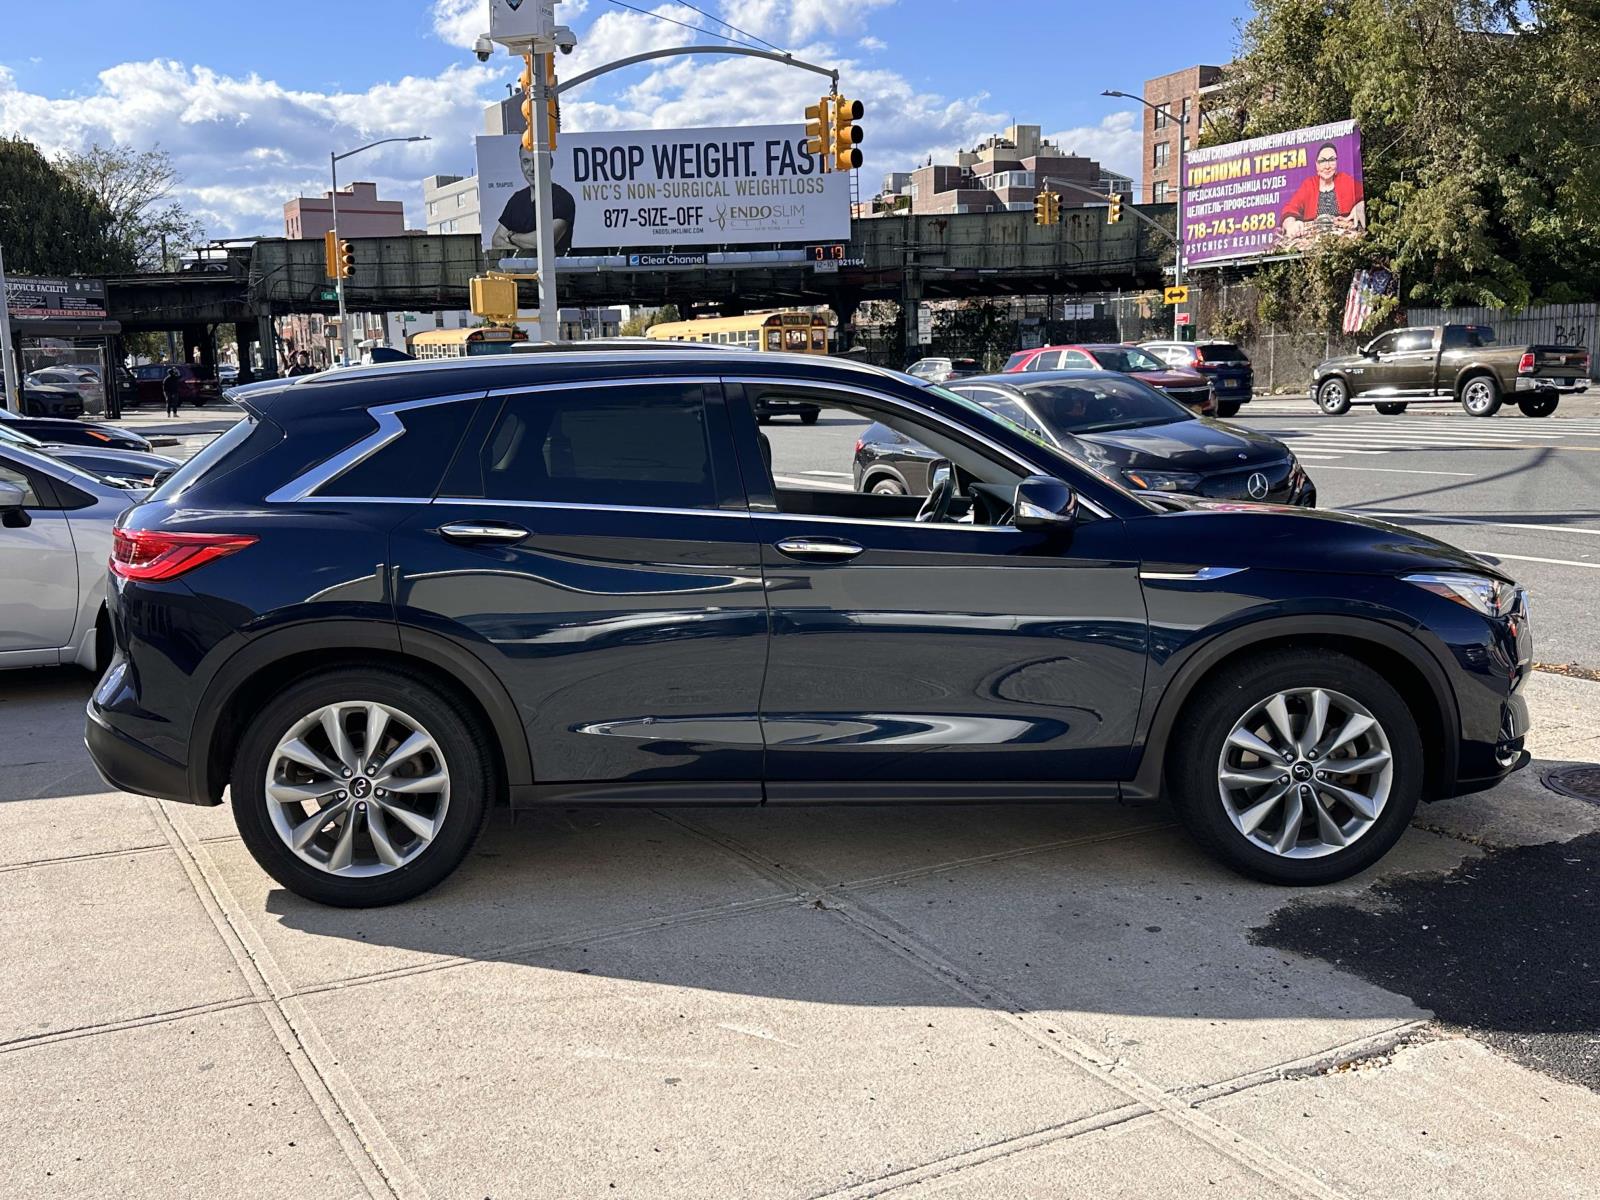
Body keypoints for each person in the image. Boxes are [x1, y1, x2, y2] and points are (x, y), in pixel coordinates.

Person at [489, 144, 576, 254]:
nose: (532, 168)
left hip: (555, 270)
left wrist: (512, 236)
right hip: (519, 271)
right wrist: (525, 251)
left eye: (537, 161)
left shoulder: (563, 198)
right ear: (520, 165)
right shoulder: (516, 200)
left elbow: (544, 241)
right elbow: (496, 240)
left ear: (550, 163)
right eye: (526, 161)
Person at [1279, 142, 1366, 245]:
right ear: (1316, 164)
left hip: (1343, 242)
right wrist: (1291, 224)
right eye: (1323, 161)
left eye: (1331, 160)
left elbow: (1365, 196)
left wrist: (1360, 205)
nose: (1327, 166)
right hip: (1314, 244)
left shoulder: (1345, 181)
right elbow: (1289, 209)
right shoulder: (1309, 185)